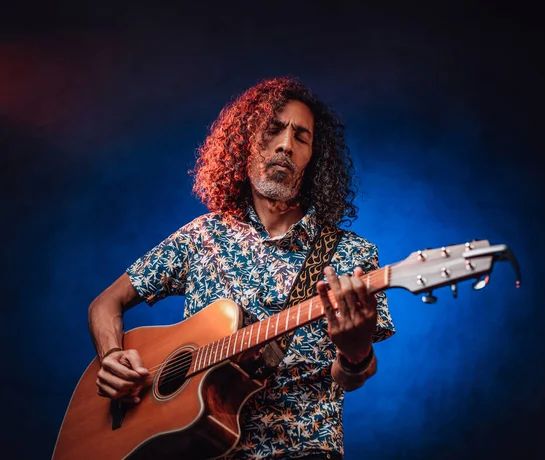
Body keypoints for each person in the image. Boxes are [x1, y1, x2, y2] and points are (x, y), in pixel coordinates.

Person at [88, 76, 395, 459]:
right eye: (273, 130)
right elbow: (105, 304)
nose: (285, 144)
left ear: (314, 158)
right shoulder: (202, 236)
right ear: (245, 143)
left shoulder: (350, 255)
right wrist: (112, 357)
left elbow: (354, 378)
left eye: (301, 137)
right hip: (194, 450)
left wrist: (356, 352)